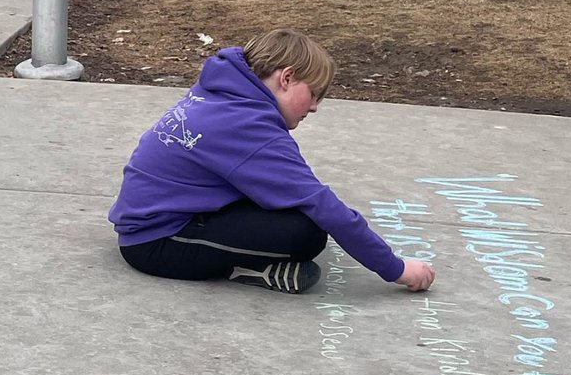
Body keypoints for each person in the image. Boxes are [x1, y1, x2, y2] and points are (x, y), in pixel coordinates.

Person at [109, 29, 436, 295]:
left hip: (178, 211)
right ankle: (247, 269)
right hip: (156, 241)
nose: (316, 107)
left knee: (290, 207)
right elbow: (320, 202)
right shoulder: (246, 127)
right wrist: (397, 268)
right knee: (306, 233)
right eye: (316, 94)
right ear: (287, 78)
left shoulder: (224, 91)